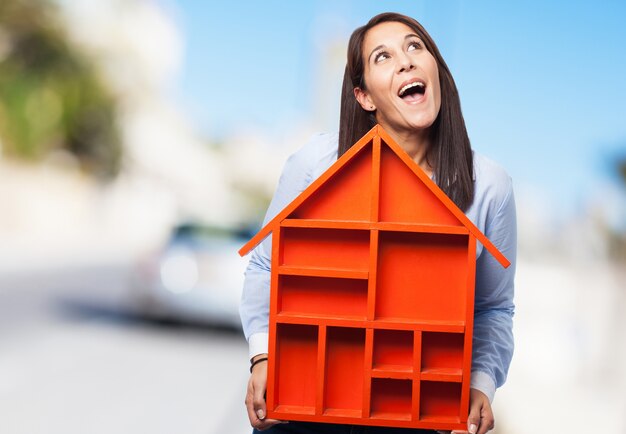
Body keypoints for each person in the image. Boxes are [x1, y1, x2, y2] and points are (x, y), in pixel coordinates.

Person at [239, 12, 516, 434]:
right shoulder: (317, 164)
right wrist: (263, 357)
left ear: (435, 71)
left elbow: (493, 306)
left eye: (414, 47)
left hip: (417, 415)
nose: (405, 61)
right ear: (364, 96)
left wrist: (481, 383)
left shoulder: (489, 186)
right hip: (308, 409)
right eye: (382, 56)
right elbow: (264, 264)